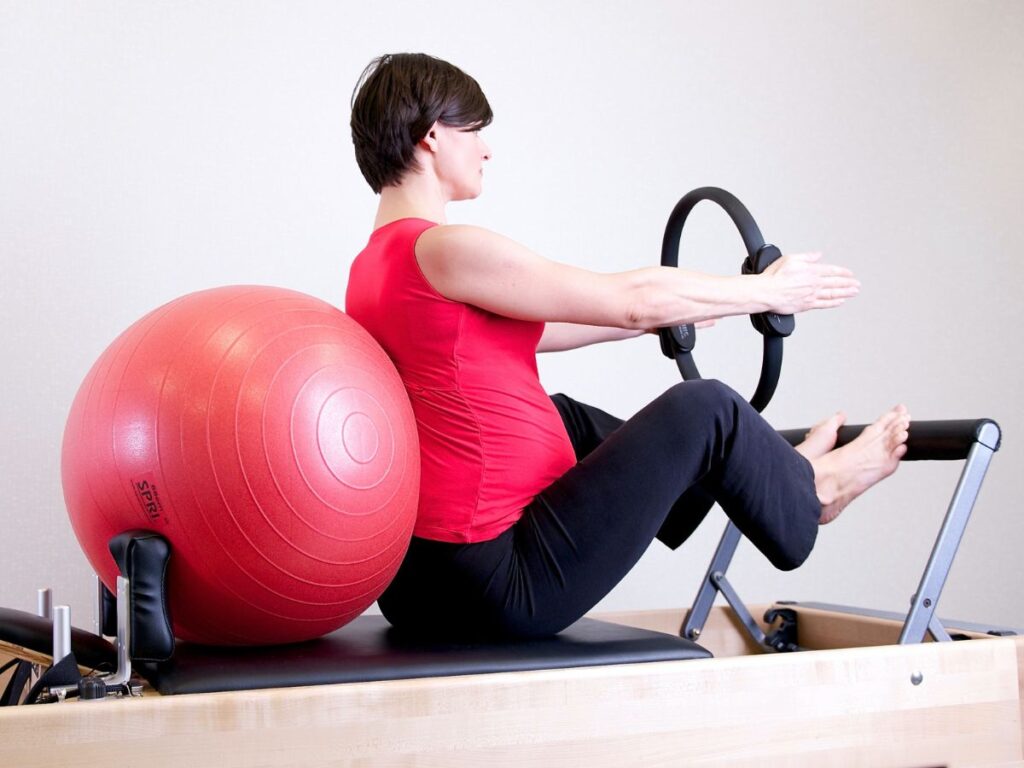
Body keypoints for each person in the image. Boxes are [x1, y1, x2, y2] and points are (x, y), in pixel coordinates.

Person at [346, 53, 910, 640]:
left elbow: (552, 324)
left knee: (564, 416)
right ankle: (811, 494)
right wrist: (766, 290)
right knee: (706, 408)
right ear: (432, 135)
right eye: (474, 130)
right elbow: (631, 297)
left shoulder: (376, 264)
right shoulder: (446, 249)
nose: (487, 148)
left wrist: (661, 319)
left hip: (421, 583)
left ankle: (781, 476)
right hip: (494, 583)